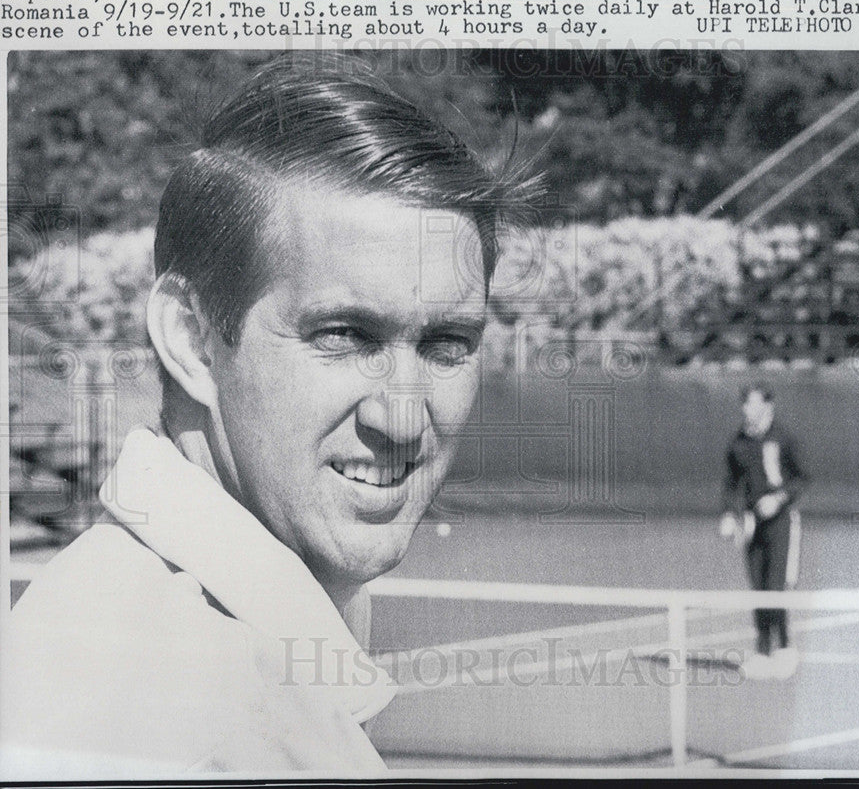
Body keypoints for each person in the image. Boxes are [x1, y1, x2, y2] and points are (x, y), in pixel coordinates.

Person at [2, 54, 543, 778]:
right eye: (344, 335)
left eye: (447, 344)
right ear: (191, 340)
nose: (405, 419)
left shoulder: (187, 638)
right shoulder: (159, 706)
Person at [718, 381, 808, 680]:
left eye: (753, 403)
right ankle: (761, 651)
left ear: (768, 406)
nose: (747, 409)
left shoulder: (784, 437)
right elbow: (731, 483)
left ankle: (784, 649)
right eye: (744, 403)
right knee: (757, 589)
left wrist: (779, 498)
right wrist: (731, 515)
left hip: (781, 523)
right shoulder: (738, 442)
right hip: (752, 526)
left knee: (775, 588)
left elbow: (801, 479)